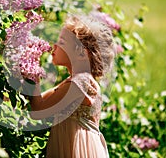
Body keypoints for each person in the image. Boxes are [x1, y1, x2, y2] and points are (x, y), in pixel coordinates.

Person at [29, 14, 115, 158]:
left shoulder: (80, 83)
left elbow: (38, 109)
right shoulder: (75, 81)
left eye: (62, 42)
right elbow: (41, 100)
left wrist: (33, 70)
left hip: (78, 150)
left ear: (82, 54)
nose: (54, 45)